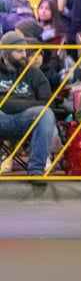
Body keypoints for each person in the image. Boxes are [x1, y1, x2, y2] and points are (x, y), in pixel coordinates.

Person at [0, 30, 56, 183]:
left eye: (25, 50)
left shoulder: (34, 73)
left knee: (46, 113)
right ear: (6, 54)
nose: (24, 55)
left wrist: (12, 103)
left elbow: (46, 101)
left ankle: (36, 170)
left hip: (26, 118)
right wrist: (27, 103)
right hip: (2, 118)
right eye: (19, 51)